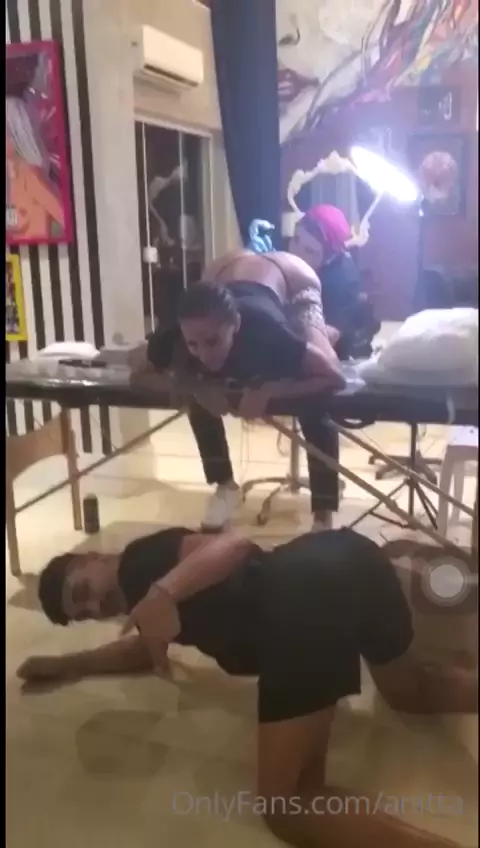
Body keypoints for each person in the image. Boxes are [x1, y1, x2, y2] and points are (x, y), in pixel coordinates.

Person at [19, 527, 477, 848]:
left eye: (82, 591)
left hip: (301, 601)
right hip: (347, 556)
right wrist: (65, 666)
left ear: (94, 559)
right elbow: (144, 650)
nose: (95, 606)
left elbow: (232, 544)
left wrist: (164, 592)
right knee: (410, 691)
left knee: (287, 806)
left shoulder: (138, 566)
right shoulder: (146, 586)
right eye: (86, 614)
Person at [136, 254, 345, 531]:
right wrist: (196, 387)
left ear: (235, 325)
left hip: (293, 278)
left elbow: (334, 377)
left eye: (213, 342)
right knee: (194, 377)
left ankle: (323, 515)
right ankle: (225, 486)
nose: (204, 354)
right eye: (193, 344)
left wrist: (270, 389)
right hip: (223, 271)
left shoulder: (266, 330)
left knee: (315, 395)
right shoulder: (177, 332)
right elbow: (137, 374)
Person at [290, 204, 381, 360]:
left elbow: (327, 337)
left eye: (309, 251)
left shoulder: (341, 281)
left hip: (338, 354)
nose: (295, 252)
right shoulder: (297, 260)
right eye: (295, 239)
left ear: (328, 257)